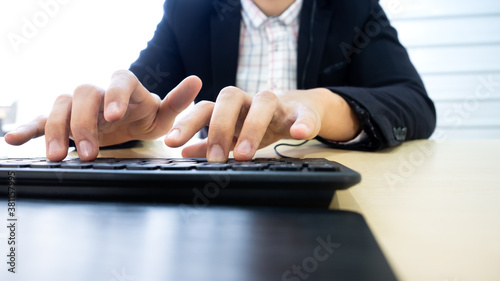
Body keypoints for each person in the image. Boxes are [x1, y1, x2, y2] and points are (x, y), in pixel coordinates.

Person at [4, 0, 436, 162]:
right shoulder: (189, 9)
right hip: (212, 189)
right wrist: (112, 123)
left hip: (327, 199)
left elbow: (413, 103)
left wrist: (323, 107)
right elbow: (143, 103)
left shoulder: (352, 8)